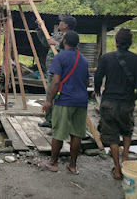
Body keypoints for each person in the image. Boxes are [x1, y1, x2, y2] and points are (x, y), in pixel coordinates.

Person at [94, 28, 137, 180]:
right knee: (127, 129)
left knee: (111, 135)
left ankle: (117, 169)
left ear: (116, 42)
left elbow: (98, 76)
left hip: (109, 102)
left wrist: (97, 90)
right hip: (127, 104)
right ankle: (126, 156)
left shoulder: (106, 58)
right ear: (130, 43)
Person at [41, 31, 89, 175]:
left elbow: (56, 81)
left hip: (65, 100)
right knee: (76, 134)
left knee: (58, 132)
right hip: (81, 101)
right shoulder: (83, 59)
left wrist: (49, 101)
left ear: (65, 41)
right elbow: (86, 81)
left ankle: (53, 163)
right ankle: (73, 166)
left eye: (62, 38)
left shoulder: (60, 57)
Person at [37, 15, 77, 129]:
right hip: (52, 70)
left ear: (66, 25)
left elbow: (71, 51)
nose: (59, 23)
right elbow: (46, 43)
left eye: (62, 22)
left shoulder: (71, 37)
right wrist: (41, 29)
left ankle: (56, 124)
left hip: (61, 72)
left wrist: (56, 44)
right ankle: (49, 120)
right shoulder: (59, 35)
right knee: (49, 94)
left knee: (56, 97)